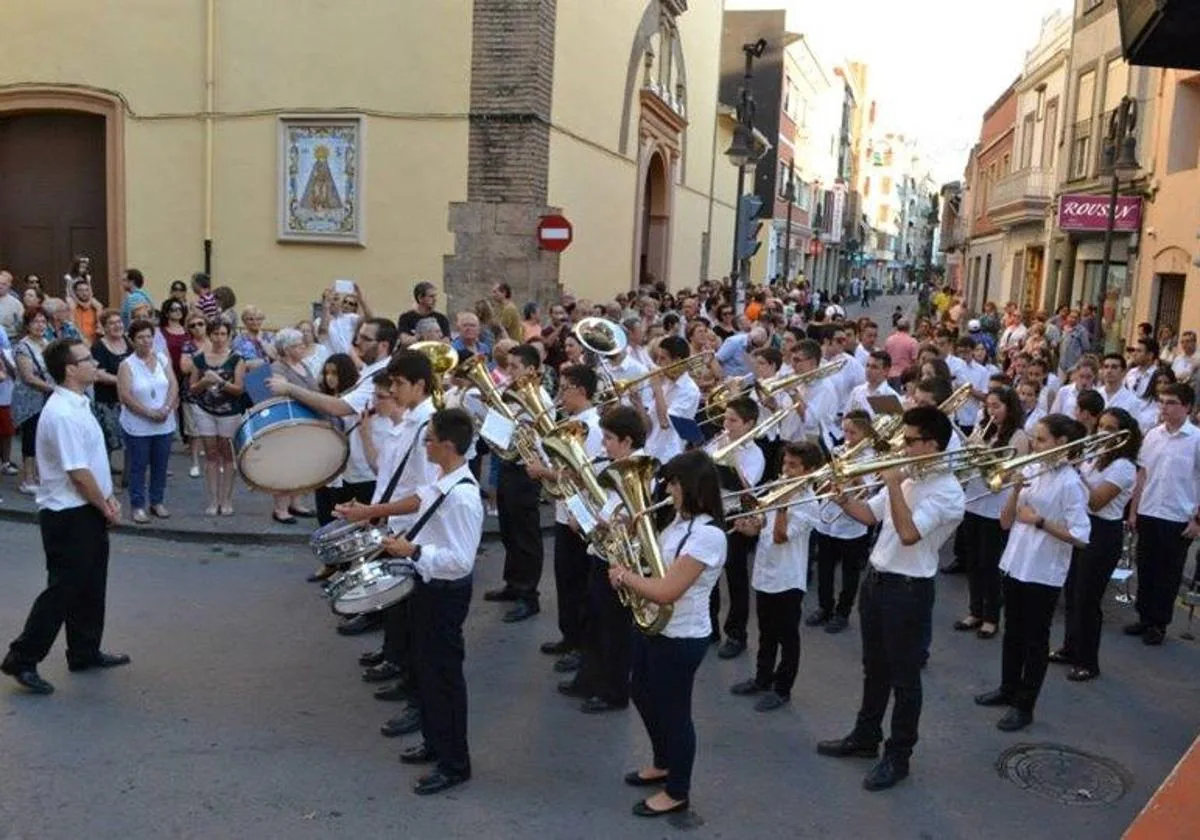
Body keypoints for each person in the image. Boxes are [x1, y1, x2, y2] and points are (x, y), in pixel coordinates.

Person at [818, 406, 965, 792]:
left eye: (910, 440)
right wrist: (840, 499)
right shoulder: (911, 476)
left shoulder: (947, 491)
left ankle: (898, 756)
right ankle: (865, 737)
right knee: (874, 667)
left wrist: (896, 485)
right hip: (878, 579)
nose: (901, 445)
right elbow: (870, 516)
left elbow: (908, 533)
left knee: (905, 679)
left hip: (909, 590)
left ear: (931, 444)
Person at [1, 338, 128, 695]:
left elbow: (92, 465)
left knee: (91, 583)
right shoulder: (62, 413)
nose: (93, 363)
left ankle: (84, 651)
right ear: (70, 369)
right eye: (87, 359)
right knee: (64, 589)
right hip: (68, 514)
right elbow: (77, 471)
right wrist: (104, 505)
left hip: (86, 507)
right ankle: (22, 657)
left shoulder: (79, 403)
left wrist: (107, 499)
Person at [609, 449, 727, 817]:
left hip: (682, 636)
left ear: (692, 486)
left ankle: (678, 791)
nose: (667, 488)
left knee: (675, 713)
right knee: (641, 691)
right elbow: (655, 571)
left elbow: (666, 591)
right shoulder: (676, 523)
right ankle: (662, 762)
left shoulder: (708, 535)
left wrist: (625, 576)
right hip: (654, 628)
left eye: (674, 482)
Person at [375, 408, 482, 796]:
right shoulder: (444, 481)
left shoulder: (464, 499)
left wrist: (413, 549)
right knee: (426, 672)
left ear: (448, 446)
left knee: (444, 679)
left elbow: (461, 561)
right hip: (428, 587)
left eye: (430, 438)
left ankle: (455, 764)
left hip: (445, 594)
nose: (426, 443)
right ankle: (436, 743)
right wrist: (373, 515)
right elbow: (421, 500)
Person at [975, 413, 1090, 732]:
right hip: (1016, 562)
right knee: (1013, 631)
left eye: (1040, 439)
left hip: (1044, 571)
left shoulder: (1071, 483)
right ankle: (1007, 688)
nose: (1034, 444)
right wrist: (1013, 491)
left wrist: (1040, 522)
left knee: (1035, 640)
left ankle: (1025, 706)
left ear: (1061, 443)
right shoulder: (1032, 469)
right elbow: (1006, 522)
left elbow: (1081, 535)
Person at [730, 441, 823, 710]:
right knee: (766, 631)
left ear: (809, 470)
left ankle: (783, 689)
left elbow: (782, 536)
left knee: (787, 635)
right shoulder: (779, 488)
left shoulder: (808, 503)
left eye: (793, 466)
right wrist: (751, 527)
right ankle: (762, 678)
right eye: (785, 463)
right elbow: (766, 527)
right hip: (765, 572)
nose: (786, 470)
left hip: (787, 578)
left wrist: (782, 506)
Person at [561, 405, 643, 713]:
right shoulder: (617, 464)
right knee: (594, 620)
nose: (603, 444)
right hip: (602, 554)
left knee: (613, 629)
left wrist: (598, 522)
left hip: (620, 561)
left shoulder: (637, 469)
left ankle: (614, 691)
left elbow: (634, 520)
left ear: (626, 441)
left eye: (608, 438)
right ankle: (590, 678)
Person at [1050, 407, 1141, 680]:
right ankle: (1070, 647)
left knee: (1088, 599)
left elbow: (1096, 501)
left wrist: (1073, 472)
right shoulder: (1096, 458)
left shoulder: (1124, 466)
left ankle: (1088, 661)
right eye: (1101, 426)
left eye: (1110, 428)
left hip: (1103, 532)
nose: (1103, 432)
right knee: (1073, 592)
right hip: (1083, 525)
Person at [531, 364, 603, 673]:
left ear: (582, 392)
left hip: (581, 513)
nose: (560, 394)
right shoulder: (570, 420)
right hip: (565, 511)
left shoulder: (593, 427)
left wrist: (544, 472)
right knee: (565, 578)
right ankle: (569, 635)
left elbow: (585, 474)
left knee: (579, 582)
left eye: (565, 388)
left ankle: (583, 644)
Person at [1126, 381, 1200, 646]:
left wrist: (1197, 521)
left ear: (1188, 407)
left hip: (1178, 516)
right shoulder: (1153, 435)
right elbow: (1142, 474)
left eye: (1171, 403)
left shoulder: (1196, 440)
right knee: (1145, 567)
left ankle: (1159, 623)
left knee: (1168, 573)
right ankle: (1144, 616)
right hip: (1149, 510)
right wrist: (1134, 511)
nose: (1164, 408)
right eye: (1162, 402)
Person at [485, 343, 552, 622]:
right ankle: (513, 583)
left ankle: (529, 595)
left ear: (531, 370)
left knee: (526, 534)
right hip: (508, 465)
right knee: (508, 529)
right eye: (508, 366)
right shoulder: (510, 395)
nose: (508, 372)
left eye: (515, 367)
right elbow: (499, 432)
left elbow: (540, 442)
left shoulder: (540, 400)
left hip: (527, 470)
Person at [956, 387, 1029, 639]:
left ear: (1009, 407)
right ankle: (974, 610)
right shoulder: (982, 430)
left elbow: (1005, 473)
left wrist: (982, 453)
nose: (992, 411)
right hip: (973, 501)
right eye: (988, 406)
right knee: (973, 561)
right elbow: (967, 466)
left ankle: (991, 617)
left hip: (996, 505)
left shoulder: (1018, 436)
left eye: (997, 406)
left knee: (990, 564)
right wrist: (969, 451)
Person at [707, 397, 765, 659]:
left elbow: (747, 491)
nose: (726, 425)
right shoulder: (719, 441)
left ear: (749, 424)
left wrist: (730, 458)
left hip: (735, 516)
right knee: (708, 573)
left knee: (736, 578)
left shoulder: (755, 453)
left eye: (732, 420)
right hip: (712, 513)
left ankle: (736, 633)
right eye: (725, 419)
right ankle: (709, 626)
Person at [809, 412, 874, 634]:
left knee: (850, 571)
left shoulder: (873, 458)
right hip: (828, 518)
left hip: (852, 525)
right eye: (844, 431)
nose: (846, 436)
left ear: (866, 434)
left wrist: (853, 473)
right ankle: (824, 607)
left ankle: (843, 611)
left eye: (852, 432)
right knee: (825, 567)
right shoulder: (838, 451)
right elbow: (822, 484)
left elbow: (868, 491)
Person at [117, 319, 179, 523]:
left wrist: (167, 408)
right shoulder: (127, 365)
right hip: (139, 426)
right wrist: (148, 413)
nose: (145, 341)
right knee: (138, 466)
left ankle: (157, 501)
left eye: (149, 336)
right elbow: (125, 396)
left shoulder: (161, 358)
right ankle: (137, 505)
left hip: (164, 422)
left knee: (160, 465)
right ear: (132, 340)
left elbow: (173, 385)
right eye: (140, 337)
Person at [188, 320, 246, 516]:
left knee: (228, 455)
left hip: (229, 411)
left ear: (228, 336)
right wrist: (205, 381)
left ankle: (226, 499)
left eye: (223, 334)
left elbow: (239, 389)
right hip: (205, 409)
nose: (219, 338)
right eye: (215, 334)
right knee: (211, 454)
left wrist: (221, 382)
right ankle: (213, 499)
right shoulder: (199, 359)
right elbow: (192, 388)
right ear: (209, 335)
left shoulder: (236, 359)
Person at [266, 328, 321, 523]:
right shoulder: (279, 368)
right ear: (287, 349)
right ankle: (280, 508)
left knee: (301, 465)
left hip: (307, 421)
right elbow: (278, 393)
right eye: (298, 345)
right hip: (287, 422)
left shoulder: (303, 365)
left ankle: (296, 502)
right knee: (285, 466)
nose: (303, 347)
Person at [12, 310, 55, 494]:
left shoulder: (47, 343)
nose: (40, 325)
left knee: (43, 438)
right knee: (30, 438)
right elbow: (28, 377)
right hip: (30, 399)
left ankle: (40, 475)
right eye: (36, 322)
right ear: (27, 325)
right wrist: (53, 388)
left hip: (47, 397)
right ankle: (28, 478)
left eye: (43, 321)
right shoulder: (22, 347)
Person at [397, 281, 451, 345]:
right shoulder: (406, 318)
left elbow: (447, 342)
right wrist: (422, 335)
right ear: (420, 298)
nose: (435, 299)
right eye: (431, 296)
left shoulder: (441, 318)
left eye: (435, 296)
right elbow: (404, 340)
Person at [69, 278, 102, 344]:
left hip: (95, 343)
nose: (84, 293)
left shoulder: (96, 306)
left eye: (86, 290)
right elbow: (71, 326)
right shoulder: (71, 306)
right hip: (77, 343)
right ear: (75, 292)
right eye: (80, 290)